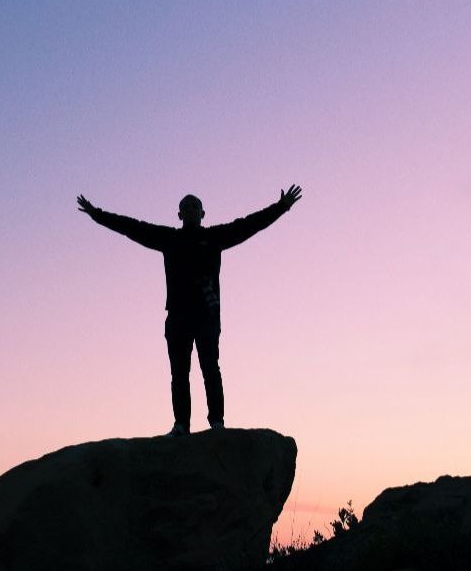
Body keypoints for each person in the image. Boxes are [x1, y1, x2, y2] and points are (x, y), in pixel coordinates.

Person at [77, 185, 303, 436]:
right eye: (186, 207)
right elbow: (132, 227)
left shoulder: (216, 237)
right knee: (179, 373)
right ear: (179, 215)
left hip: (206, 315)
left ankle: (217, 423)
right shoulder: (170, 239)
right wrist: (97, 214)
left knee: (210, 368)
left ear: (203, 213)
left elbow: (249, 225)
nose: (191, 210)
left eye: (195, 206)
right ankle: (181, 425)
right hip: (178, 316)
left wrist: (281, 207)